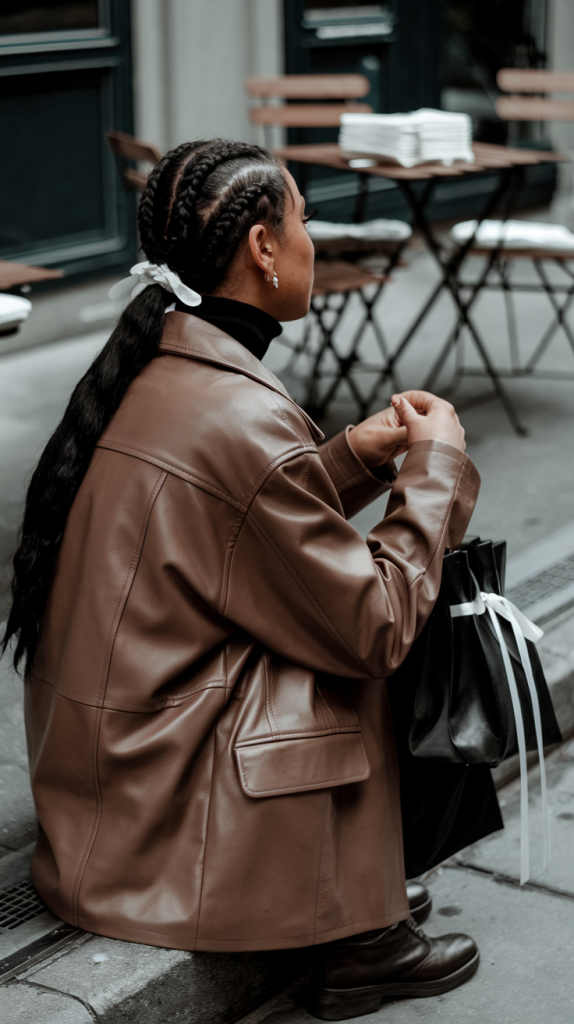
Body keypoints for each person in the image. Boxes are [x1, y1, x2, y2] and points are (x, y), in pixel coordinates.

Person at [4, 140, 481, 1020]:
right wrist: (435, 471)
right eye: (303, 220)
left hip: (105, 790)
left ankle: (352, 890)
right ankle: (362, 941)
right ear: (263, 247)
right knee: (345, 638)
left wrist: (346, 459)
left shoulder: (160, 360)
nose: (311, 238)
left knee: (315, 604)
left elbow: (228, 527)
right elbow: (374, 622)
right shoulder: (241, 412)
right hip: (150, 830)